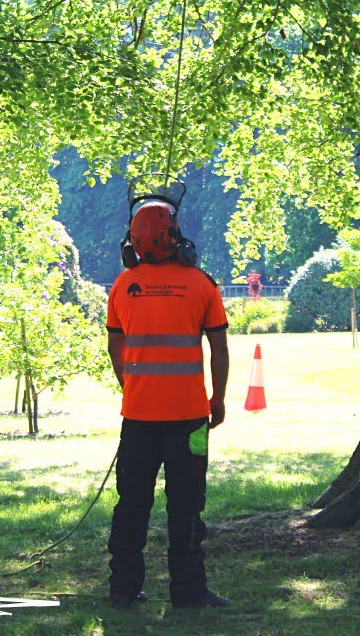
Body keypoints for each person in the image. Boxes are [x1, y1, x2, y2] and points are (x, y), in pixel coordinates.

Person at [105, 200, 230, 609]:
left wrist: (132, 384)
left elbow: (115, 345)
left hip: (137, 420)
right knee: (189, 503)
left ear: (134, 244)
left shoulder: (123, 286)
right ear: (174, 236)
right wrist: (219, 398)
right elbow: (219, 347)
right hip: (192, 421)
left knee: (132, 503)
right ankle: (189, 591)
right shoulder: (202, 284)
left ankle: (123, 588)